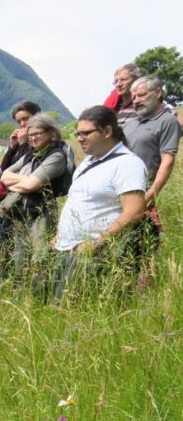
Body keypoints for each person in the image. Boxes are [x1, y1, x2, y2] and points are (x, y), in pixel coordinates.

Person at [53, 106, 148, 298]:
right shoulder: (88, 162)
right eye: (78, 133)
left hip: (94, 255)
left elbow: (134, 211)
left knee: (82, 316)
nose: (80, 138)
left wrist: (97, 243)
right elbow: (78, 201)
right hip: (67, 249)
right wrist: (59, 234)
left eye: (86, 133)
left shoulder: (127, 163)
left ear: (107, 131)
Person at [0, 113, 74, 279]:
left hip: (40, 212)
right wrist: (29, 181)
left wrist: (24, 183)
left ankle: (39, 292)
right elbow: (4, 175)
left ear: (51, 133)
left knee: (39, 256)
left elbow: (31, 185)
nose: (33, 138)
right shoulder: (30, 154)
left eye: (38, 133)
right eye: (30, 135)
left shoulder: (57, 155)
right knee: (17, 256)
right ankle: (19, 290)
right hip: (20, 211)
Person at [123, 76, 180, 211]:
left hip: (143, 192)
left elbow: (168, 161)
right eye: (134, 97)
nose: (136, 101)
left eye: (141, 95)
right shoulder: (129, 123)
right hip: (120, 191)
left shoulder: (167, 121)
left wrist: (149, 197)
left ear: (158, 93)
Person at [1, 101, 42, 171]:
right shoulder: (19, 142)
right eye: (18, 122)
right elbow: (4, 168)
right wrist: (12, 147)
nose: (22, 124)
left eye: (25, 118)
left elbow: (27, 168)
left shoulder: (42, 139)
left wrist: (23, 143)